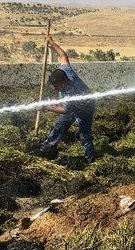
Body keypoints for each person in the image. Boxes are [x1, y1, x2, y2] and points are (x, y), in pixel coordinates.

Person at [38, 35, 96, 163]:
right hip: (72, 105)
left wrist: (46, 107)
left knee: (84, 134)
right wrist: (52, 43)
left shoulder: (71, 92)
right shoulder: (65, 69)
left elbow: (65, 110)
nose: (54, 89)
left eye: (56, 86)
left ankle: (89, 159)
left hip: (86, 106)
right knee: (59, 126)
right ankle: (47, 148)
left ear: (63, 83)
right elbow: (63, 55)